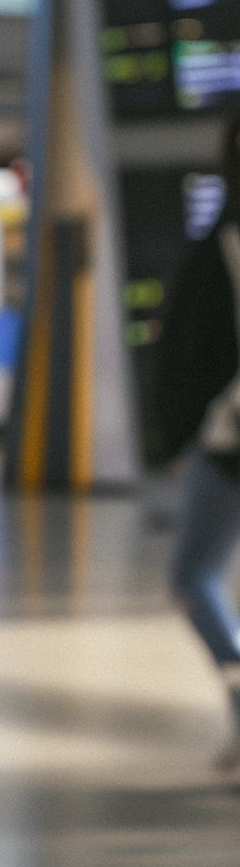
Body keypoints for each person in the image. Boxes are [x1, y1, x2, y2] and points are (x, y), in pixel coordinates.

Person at [154, 101, 240, 769]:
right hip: (221, 441)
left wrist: (175, 435)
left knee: (191, 574)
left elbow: (184, 354)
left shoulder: (218, 248)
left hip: (224, 444)